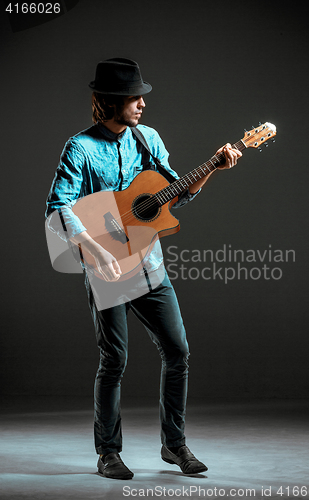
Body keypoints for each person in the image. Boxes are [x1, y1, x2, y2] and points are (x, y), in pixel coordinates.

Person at [45, 58, 241, 480]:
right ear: (112, 101)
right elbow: (57, 209)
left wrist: (212, 169)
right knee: (115, 359)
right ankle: (108, 453)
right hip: (106, 266)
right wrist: (96, 252)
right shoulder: (79, 147)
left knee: (178, 351)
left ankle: (174, 445)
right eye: (135, 97)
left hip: (150, 265)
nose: (142, 104)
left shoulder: (147, 138)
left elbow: (175, 193)